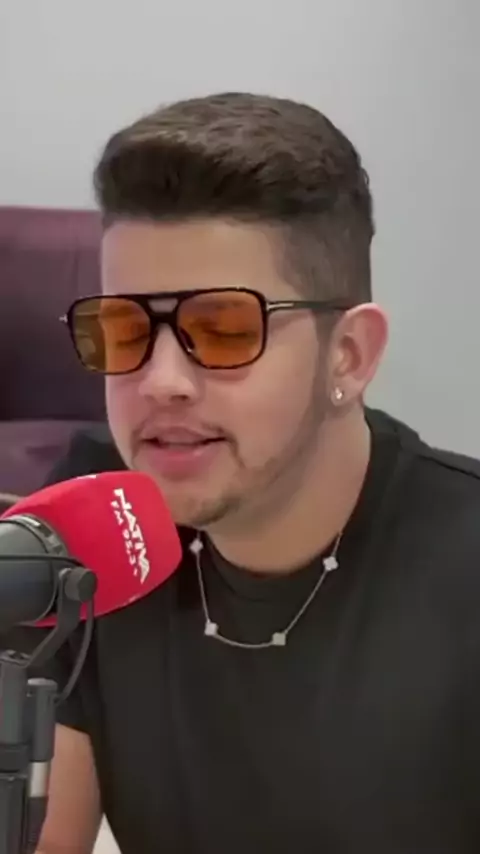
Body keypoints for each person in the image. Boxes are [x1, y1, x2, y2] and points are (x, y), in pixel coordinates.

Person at [4, 92, 480, 854]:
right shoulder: (92, 532)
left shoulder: (461, 564)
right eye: (122, 330)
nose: (161, 381)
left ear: (349, 355)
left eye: (223, 329)